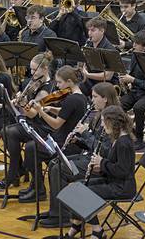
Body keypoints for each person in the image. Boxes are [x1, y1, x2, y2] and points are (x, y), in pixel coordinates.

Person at [41, 82, 119, 227]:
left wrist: (85, 133)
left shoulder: (112, 118)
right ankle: (55, 210)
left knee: (60, 168)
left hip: (101, 166)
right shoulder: (99, 114)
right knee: (54, 163)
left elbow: (105, 151)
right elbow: (93, 145)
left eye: (95, 97)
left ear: (105, 98)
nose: (92, 100)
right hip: (90, 158)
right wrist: (78, 141)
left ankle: (62, 215)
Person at [19, 66, 88, 203]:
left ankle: (38, 189)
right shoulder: (79, 97)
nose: (57, 85)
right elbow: (65, 112)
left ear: (69, 81)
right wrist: (50, 108)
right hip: (65, 140)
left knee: (31, 149)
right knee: (32, 147)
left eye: (60, 82)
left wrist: (41, 111)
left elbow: (56, 124)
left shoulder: (72, 99)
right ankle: (37, 186)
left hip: (66, 144)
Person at [69, 105, 137, 239]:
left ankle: (97, 230)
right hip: (114, 181)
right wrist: (99, 168)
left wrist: (102, 162)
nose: (102, 126)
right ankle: (76, 225)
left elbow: (123, 171)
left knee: (84, 192)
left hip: (122, 187)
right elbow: (114, 166)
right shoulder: (117, 138)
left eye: (103, 122)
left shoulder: (124, 143)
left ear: (112, 122)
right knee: (77, 186)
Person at [0, 53, 54, 188]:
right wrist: (14, 102)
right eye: (31, 69)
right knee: (6, 131)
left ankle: (14, 173)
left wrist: (22, 104)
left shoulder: (47, 89)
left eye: (35, 70)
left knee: (9, 132)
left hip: (42, 127)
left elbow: (33, 114)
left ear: (45, 69)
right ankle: (17, 171)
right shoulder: (33, 82)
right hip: (30, 123)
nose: (32, 73)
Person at [118, 30, 145, 152]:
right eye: (133, 43)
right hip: (135, 91)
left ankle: (139, 138)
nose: (133, 46)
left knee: (139, 107)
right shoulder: (135, 54)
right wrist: (127, 79)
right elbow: (133, 74)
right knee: (118, 105)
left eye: (137, 44)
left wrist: (133, 80)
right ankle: (128, 130)